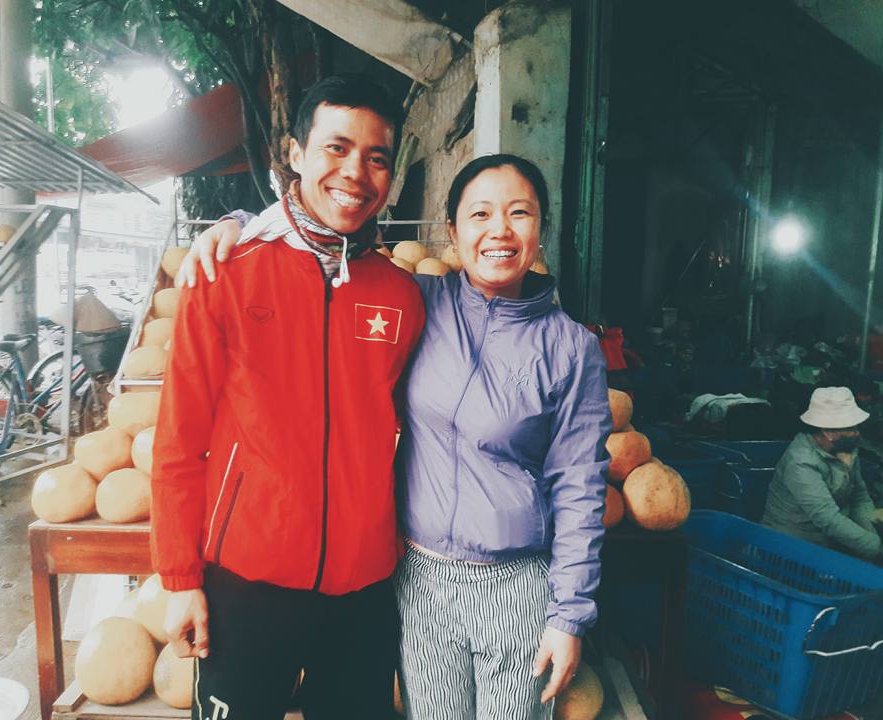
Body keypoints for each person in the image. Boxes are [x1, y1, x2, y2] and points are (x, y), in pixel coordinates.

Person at [188, 153, 612, 719]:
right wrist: (242, 224)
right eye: (480, 214)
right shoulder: (417, 301)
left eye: (519, 213)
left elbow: (580, 487)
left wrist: (569, 616)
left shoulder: (572, 348)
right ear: (452, 231)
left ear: (541, 228)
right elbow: (326, 250)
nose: (500, 231)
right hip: (420, 581)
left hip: (517, 587)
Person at [151, 73, 425, 720]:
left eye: (376, 157)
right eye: (336, 148)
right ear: (295, 153)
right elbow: (179, 440)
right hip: (244, 583)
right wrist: (180, 578)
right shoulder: (223, 273)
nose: (355, 172)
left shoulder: (402, 296)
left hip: (363, 590)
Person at [762, 386, 882, 562]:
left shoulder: (846, 447)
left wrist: (873, 538)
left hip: (833, 539)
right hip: (793, 545)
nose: (857, 433)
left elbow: (859, 496)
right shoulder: (801, 462)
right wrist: (875, 547)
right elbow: (826, 517)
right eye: (851, 428)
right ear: (829, 433)